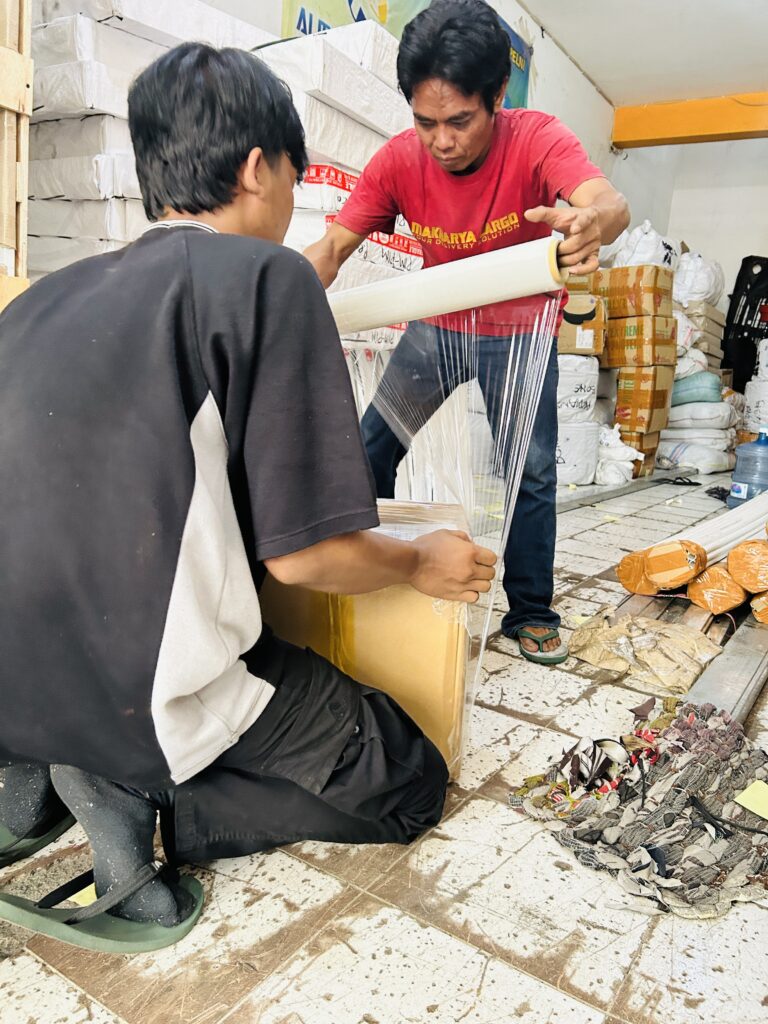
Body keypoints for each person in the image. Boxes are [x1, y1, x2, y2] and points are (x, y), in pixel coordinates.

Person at [0, 43, 496, 951]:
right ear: (258, 168)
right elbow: (305, 554)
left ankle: (37, 768)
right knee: (408, 775)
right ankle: (140, 788)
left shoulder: (37, 301)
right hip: (134, 692)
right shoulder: (267, 279)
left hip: (8, 675)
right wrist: (421, 560)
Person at [304, 0, 630, 665]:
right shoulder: (400, 161)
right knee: (370, 448)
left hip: (520, 331)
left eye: (459, 121)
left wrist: (595, 221)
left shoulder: (535, 138)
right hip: (438, 329)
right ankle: (376, 570)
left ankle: (532, 610)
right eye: (426, 122)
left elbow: (606, 200)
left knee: (530, 473)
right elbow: (334, 245)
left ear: (497, 97)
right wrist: (277, 291)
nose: (442, 141)